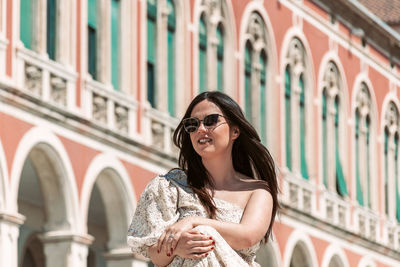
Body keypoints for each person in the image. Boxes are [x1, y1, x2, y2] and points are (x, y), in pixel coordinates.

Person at [127, 91, 279, 267]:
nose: (200, 130)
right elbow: (156, 257)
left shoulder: (257, 192)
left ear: (235, 130)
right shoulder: (169, 187)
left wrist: (193, 221)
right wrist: (177, 248)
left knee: (203, 232)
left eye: (211, 121)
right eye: (192, 125)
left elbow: (247, 236)